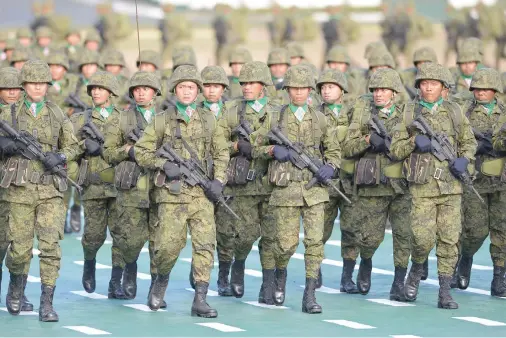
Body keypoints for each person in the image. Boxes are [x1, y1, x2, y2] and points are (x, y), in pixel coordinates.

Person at [134, 65, 229, 317]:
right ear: (174, 90)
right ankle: (160, 282)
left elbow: (221, 152)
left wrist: (218, 180)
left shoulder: (209, 119)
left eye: (191, 87)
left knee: (205, 245)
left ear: (197, 91)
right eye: (181, 87)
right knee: (167, 247)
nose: (186, 91)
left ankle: (200, 298)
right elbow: (141, 152)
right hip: (172, 195)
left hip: (201, 194)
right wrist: (163, 164)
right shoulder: (162, 120)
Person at [253, 64, 341, 313]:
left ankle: (310, 295)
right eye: (294, 88)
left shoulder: (321, 118)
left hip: (314, 191)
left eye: (303, 88)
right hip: (285, 189)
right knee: (285, 244)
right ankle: (279, 277)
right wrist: (273, 150)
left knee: (315, 243)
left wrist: (330, 167)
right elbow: (253, 146)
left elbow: (333, 151)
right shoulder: (274, 117)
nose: (299, 93)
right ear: (288, 90)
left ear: (310, 90)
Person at [390, 63, 477, 309]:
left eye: (434, 84)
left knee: (449, 239)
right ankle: (416, 271)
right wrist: (413, 141)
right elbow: (395, 150)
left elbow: (468, 143)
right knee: (421, 238)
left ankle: (445, 291)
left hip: (451, 187)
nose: (428, 88)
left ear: (443, 88)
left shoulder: (455, 112)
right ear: (418, 87)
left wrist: (464, 160)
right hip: (422, 188)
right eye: (424, 84)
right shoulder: (408, 112)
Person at [1, 59, 81, 322]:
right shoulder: (8, 114)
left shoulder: (57, 114)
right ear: (24, 85)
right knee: (20, 249)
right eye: (32, 83)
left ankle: (47, 303)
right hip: (18, 191)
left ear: (48, 86)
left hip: (50, 190)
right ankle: (16, 288)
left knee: (50, 247)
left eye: (41, 83)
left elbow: (73, 146)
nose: (37, 87)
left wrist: (58, 157)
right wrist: (6, 147)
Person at [342, 68, 412, 300]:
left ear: (394, 92)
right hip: (372, 186)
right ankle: (366, 263)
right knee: (370, 238)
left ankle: (398, 282)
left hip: (401, 187)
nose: (379, 94)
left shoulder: (406, 115)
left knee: (403, 236)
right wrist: (366, 140)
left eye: (384, 90)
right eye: (375, 90)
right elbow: (348, 147)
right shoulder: (363, 115)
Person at [103, 71, 164, 303]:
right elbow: (108, 153)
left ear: (155, 92)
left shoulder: (165, 118)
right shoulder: (122, 119)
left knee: (159, 239)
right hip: (131, 186)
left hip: (159, 185)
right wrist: (128, 150)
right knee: (129, 237)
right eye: (136, 89)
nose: (140, 93)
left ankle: (156, 289)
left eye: (145, 89)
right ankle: (128, 272)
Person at [68, 71, 125, 299]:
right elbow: (67, 149)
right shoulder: (80, 120)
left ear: (111, 92)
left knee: (121, 236)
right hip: (93, 186)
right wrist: (83, 145)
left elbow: (135, 147)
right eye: (93, 89)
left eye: (101, 88)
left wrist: (108, 150)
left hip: (121, 185)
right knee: (93, 235)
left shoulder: (125, 119)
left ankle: (116, 282)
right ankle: (89, 263)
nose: (96, 92)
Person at [459, 68, 506, 297]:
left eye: (486, 88)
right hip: (475, 181)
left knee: (502, 231)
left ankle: (499, 278)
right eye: (477, 88)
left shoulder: (505, 112)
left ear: (495, 90)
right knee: (474, 230)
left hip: (502, 181)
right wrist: (476, 147)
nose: (481, 92)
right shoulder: (464, 113)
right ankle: (465, 257)